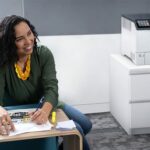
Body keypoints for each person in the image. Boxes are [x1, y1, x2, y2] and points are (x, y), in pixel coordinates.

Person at [0, 15, 92, 150]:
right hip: (20, 109)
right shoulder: (3, 62)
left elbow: (52, 88)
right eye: (20, 39)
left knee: (86, 124)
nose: (28, 41)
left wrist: (45, 110)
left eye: (29, 33)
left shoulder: (43, 54)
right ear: (9, 43)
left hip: (46, 103)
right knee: (76, 129)